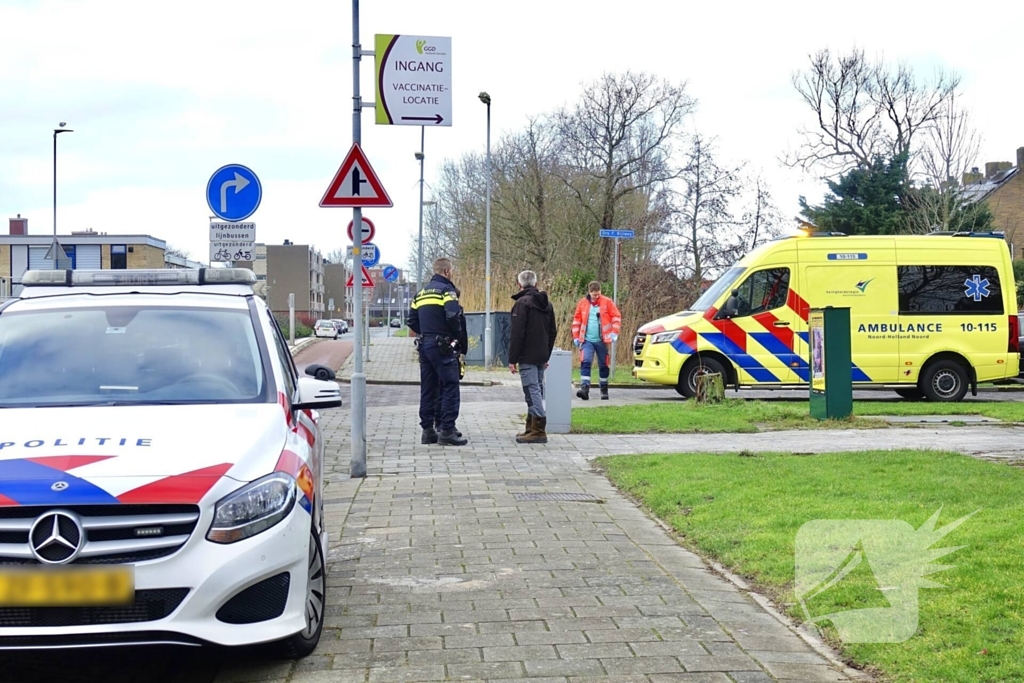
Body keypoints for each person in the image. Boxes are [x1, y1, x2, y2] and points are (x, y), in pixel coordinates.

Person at [406, 257, 468, 446]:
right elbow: (452, 315)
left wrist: (426, 332)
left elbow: (412, 321)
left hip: (424, 345)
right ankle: (447, 430)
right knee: (450, 385)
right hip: (442, 345)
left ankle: (427, 431)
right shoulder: (447, 291)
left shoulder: (421, 293)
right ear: (447, 271)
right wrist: (455, 337)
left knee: (428, 387)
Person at [507, 270, 557, 444]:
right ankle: (531, 427)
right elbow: (552, 332)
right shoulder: (547, 304)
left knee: (531, 389)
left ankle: (538, 429)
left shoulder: (522, 303)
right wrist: (546, 354)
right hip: (541, 354)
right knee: (536, 389)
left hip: (527, 355)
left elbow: (517, 333)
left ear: (519, 284)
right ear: (536, 283)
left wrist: (512, 359)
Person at [571, 280, 622, 401]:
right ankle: (585, 389)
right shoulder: (583, 303)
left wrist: (614, 333)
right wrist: (576, 336)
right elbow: (577, 320)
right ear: (589, 293)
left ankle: (604, 389)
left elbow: (616, 317)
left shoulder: (607, 302)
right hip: (587, 340)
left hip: (602, 340)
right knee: (586, 362)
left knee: (604, 365)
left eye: (598, 294)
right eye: (594, 295)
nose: (597, 297)